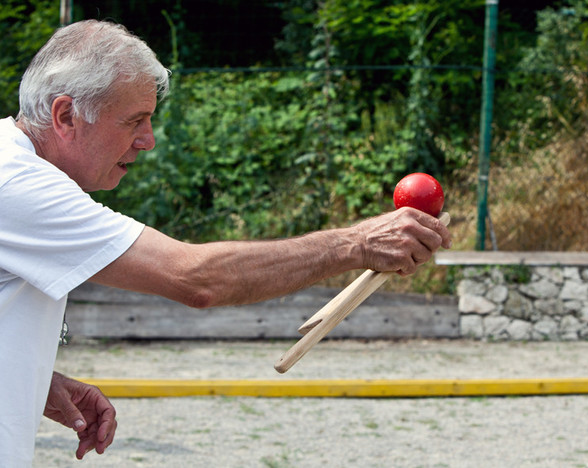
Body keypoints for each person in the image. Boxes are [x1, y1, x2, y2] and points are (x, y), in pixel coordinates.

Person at [0, 19, 451, 466]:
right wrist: (357, 243)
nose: (148, 141)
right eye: (134, 121)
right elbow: (197, 278)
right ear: (65, 116)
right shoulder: (17, 185)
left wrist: (32, 377)